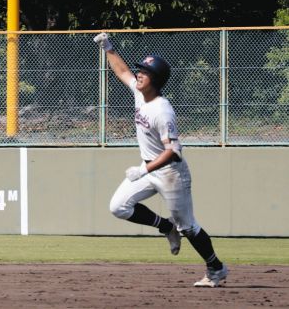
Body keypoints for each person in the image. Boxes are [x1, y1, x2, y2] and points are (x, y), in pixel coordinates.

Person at [94, 32, 228, 287]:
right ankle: (166, 227)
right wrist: (108, 48)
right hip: (148, 168)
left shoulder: (162, 110)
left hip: (171, 174)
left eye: (145, 72)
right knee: (118, 207)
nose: (139, 74)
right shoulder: (139, 92)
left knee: (187, 227)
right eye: (140, 71)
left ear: (155, 80)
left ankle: (216, 268)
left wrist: (144, 170)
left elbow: (174, 151)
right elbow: (122, 72)